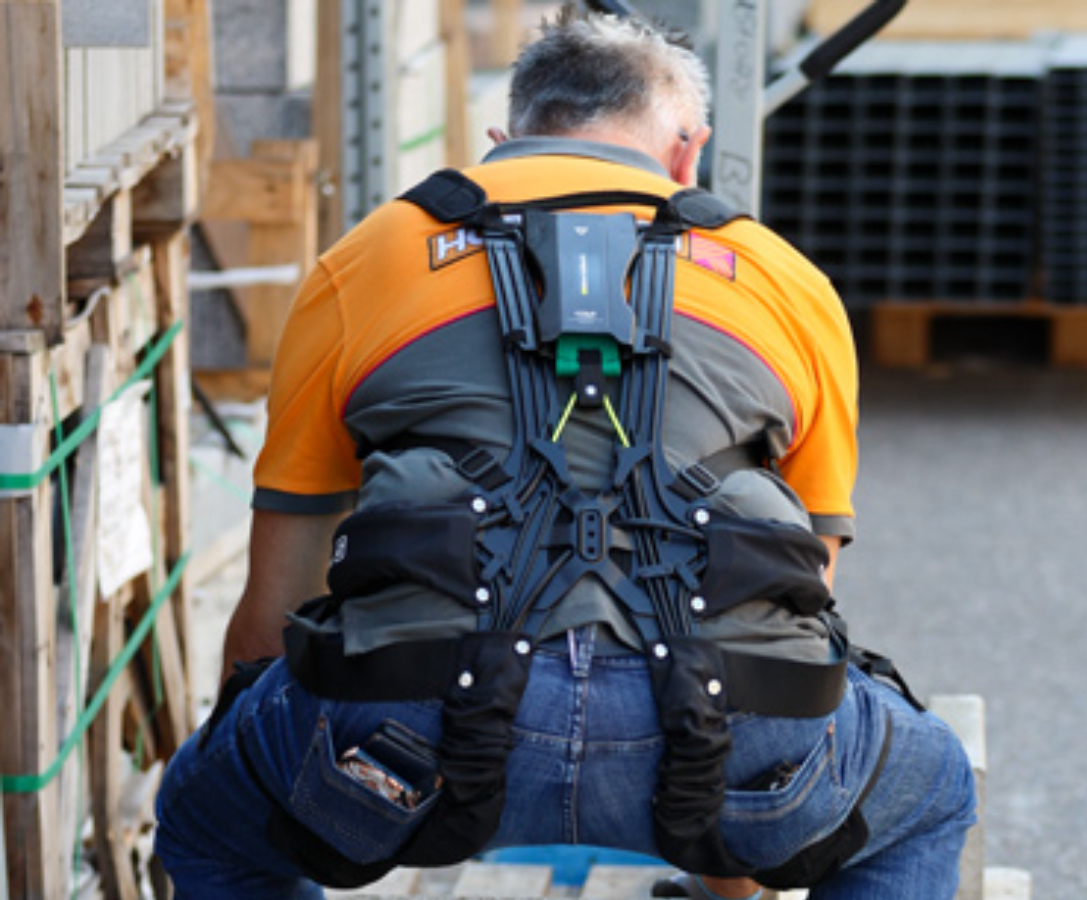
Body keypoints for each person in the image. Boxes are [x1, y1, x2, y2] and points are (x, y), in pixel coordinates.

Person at [155, 7, 975, 899]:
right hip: (715, 732)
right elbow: (792, 605)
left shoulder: (366, 261)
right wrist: (728, 858)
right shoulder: (785, 280)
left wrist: (253, 756)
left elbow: (271, 613)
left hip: (409, 730)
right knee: (929, 795)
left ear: (501, 144)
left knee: (205, 817)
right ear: (686, 156)